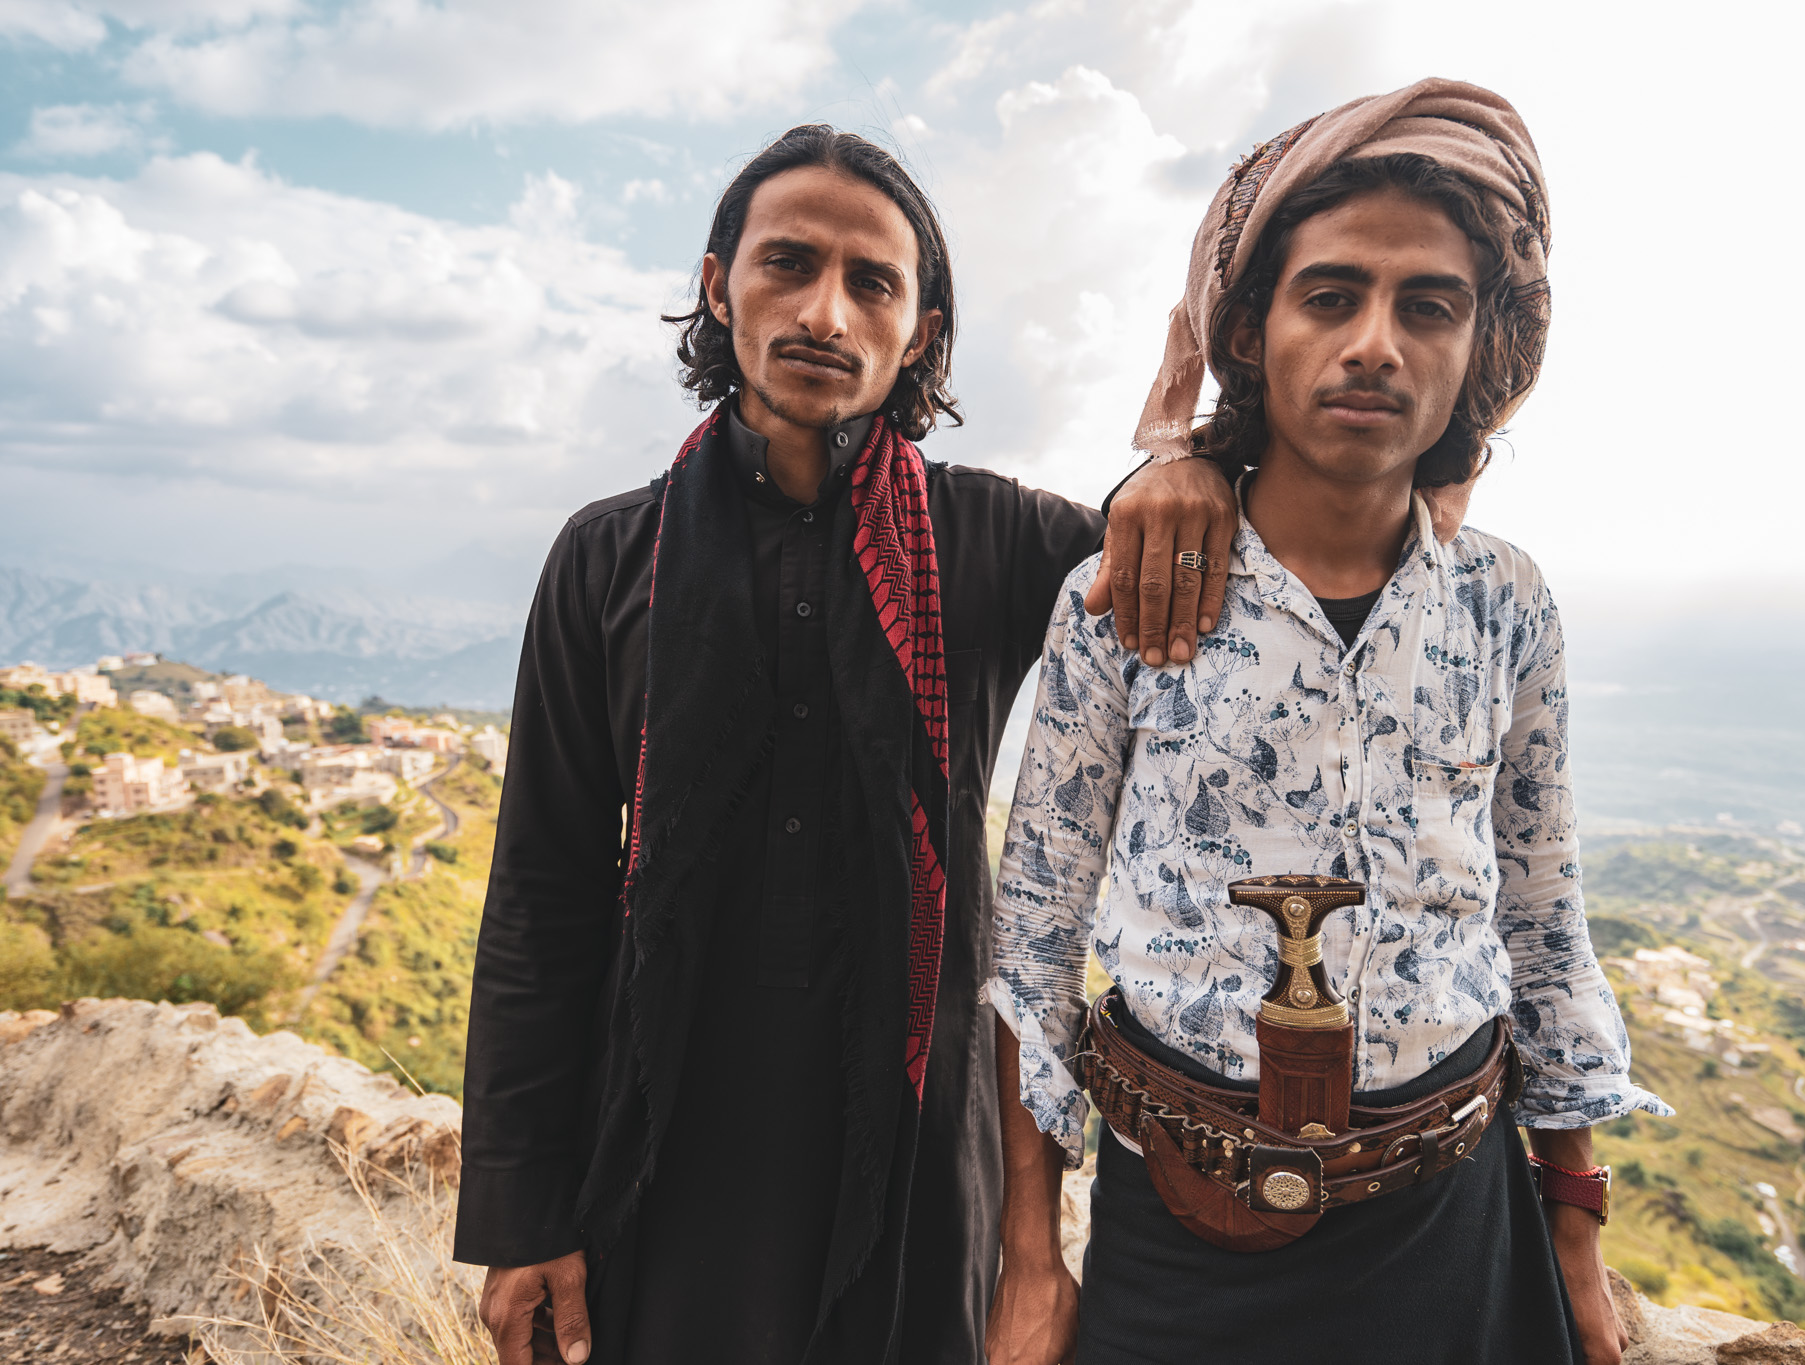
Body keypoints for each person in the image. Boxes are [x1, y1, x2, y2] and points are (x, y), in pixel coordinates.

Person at [453, 126, 1240, 1365]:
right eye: (787, 264)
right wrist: (522, 1214)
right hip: (664, 1141)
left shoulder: (991, 541)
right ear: (719, 287)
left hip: (920, 1141)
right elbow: (542, 899)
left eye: (871, 282)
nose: (824, 311)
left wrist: (1177, 465)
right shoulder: (609, 558)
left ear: (918, 328)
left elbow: (1203, 575)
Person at [985, 79, 1671, 1365]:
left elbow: (1539, 920)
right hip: (1178, 1234)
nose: (1375, 344)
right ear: (1247, 332)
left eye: (1429, 308)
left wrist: (1572, 1242)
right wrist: (1031, 1264)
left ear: (1477, 351)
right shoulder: (1123, 596)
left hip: (1448, 1229)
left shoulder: (1503, 605)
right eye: (1329, 296)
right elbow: (1031, 947)